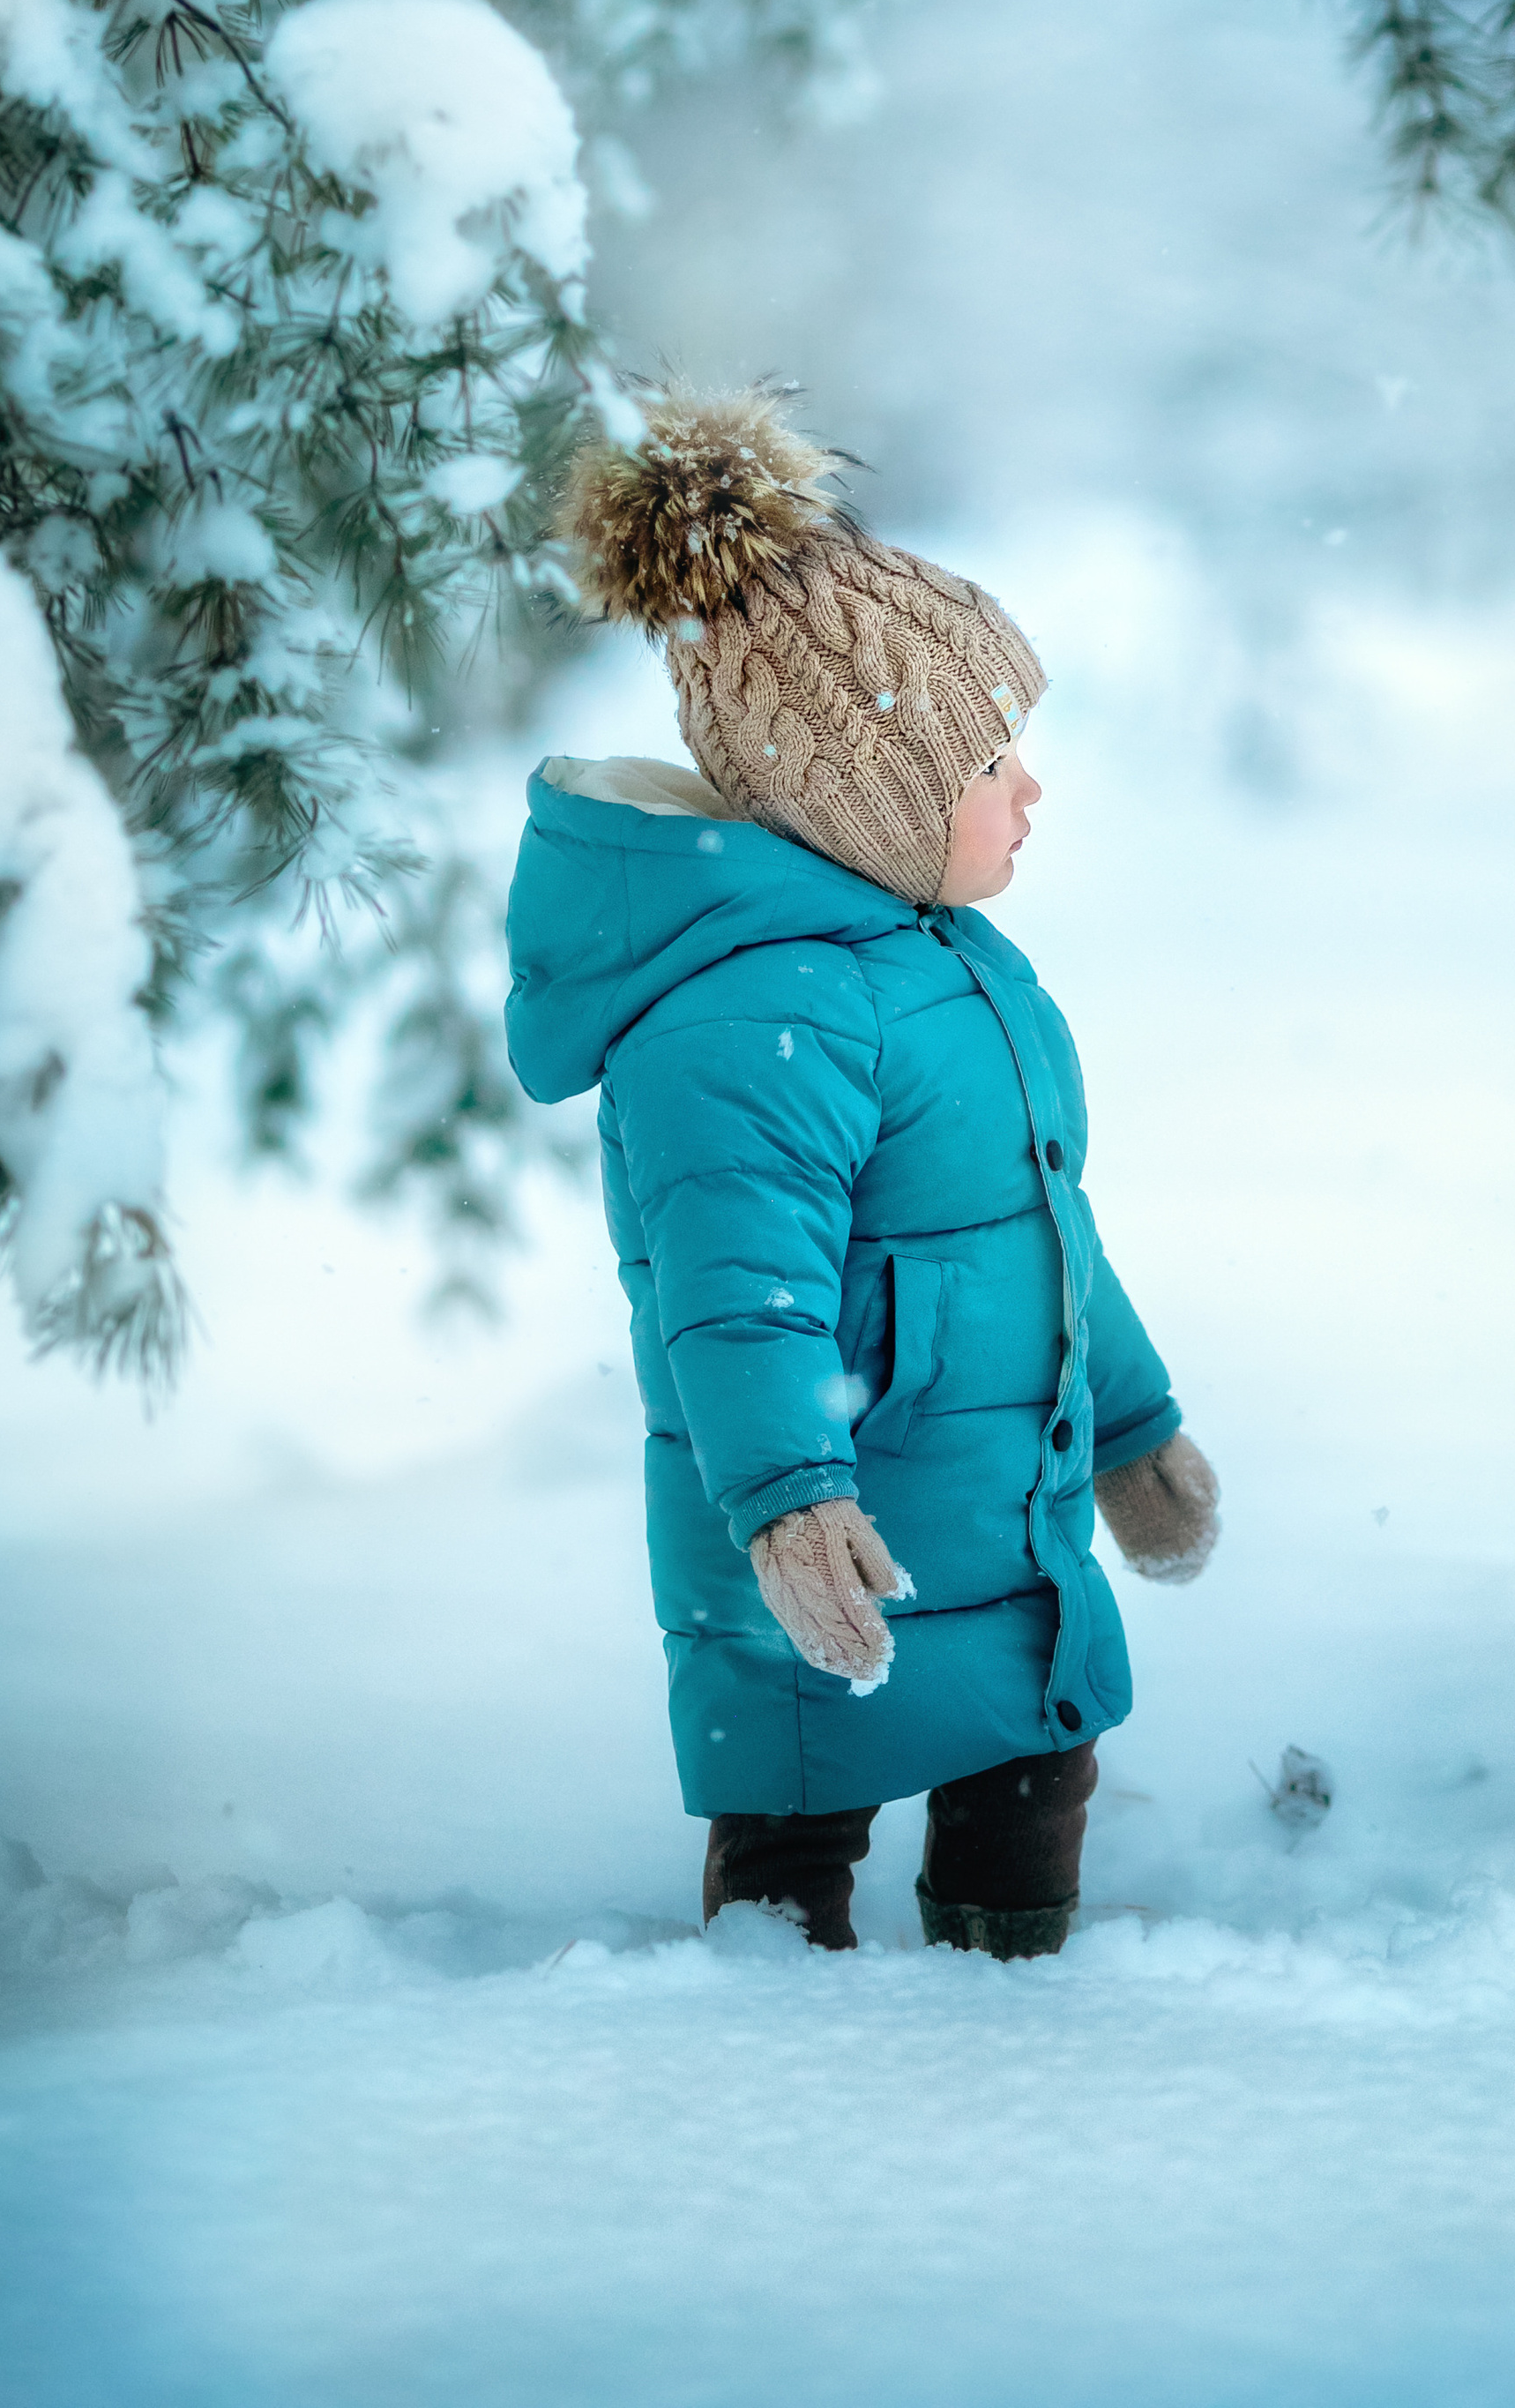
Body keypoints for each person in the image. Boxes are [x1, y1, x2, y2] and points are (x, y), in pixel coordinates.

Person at [503, 389, 1218, 1957]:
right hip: (841, 1540)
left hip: (1004, 1523)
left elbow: (1043, 1236)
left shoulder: (955, 966)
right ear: (863, 801)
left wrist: (1130, 1425)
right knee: (796, 1811)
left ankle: (1025, 2013)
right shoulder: (744, 1016)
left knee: (1035, 1776)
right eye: (990, 760)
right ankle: (777, 2045)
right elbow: (734, 1298)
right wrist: (786, 1502)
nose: (1031, 792)